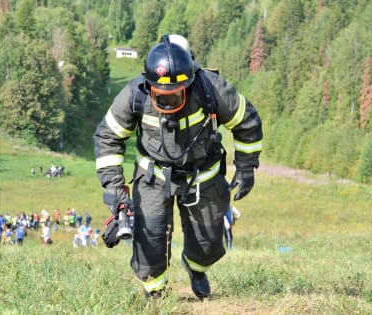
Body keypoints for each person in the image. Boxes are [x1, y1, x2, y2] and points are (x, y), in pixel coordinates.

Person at [94, 34, 263, 300]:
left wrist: (246, 167)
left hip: (203, 177)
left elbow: (247, 121)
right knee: (149, 245)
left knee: (208, 246)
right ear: (150, 87)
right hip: (153, 177)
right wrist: (116, 191)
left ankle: (196, 269)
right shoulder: (134, 94)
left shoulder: (211, 88)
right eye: (162, 97)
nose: (169, 103)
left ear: (189, 82)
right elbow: (108, 137)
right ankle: (155, 290)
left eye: (175, 96)